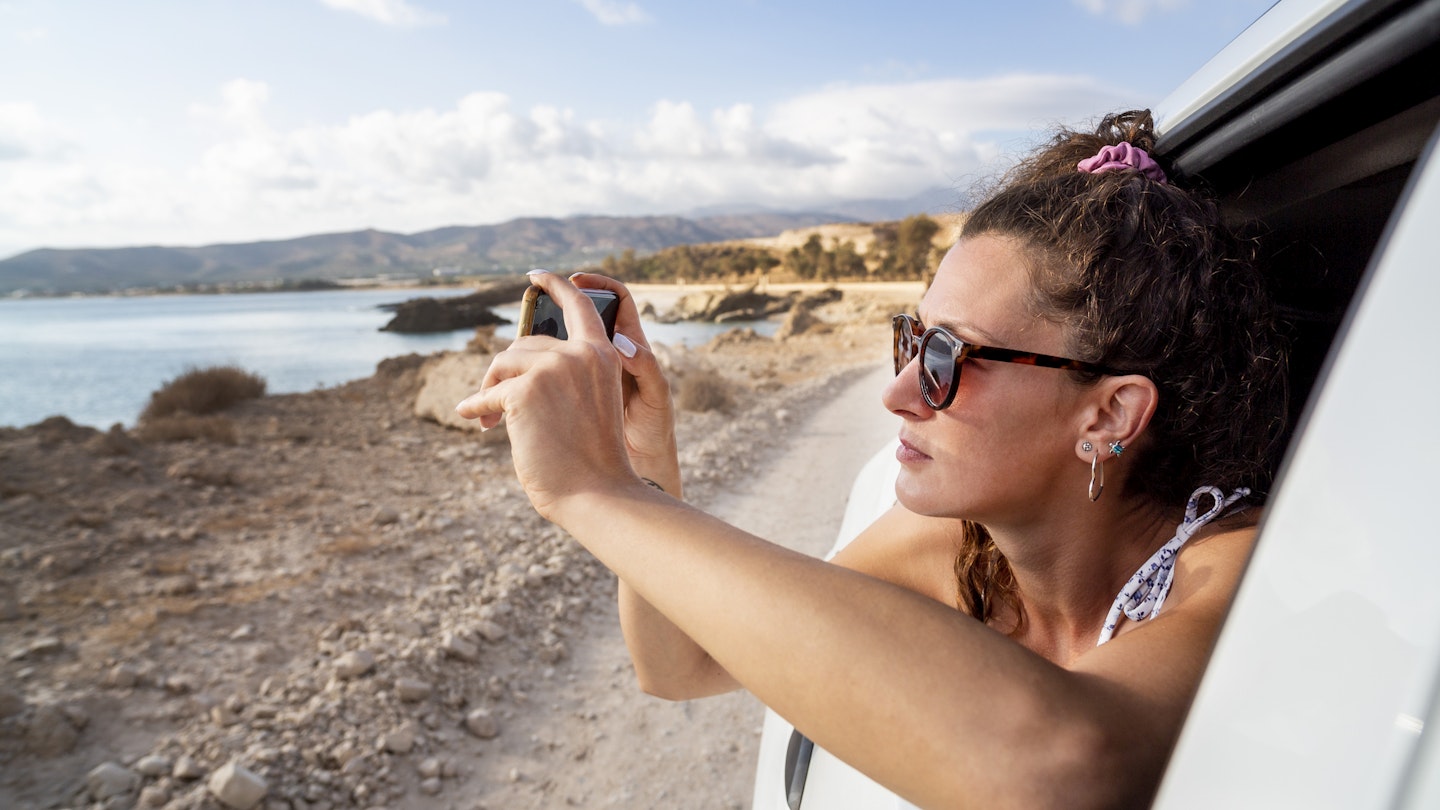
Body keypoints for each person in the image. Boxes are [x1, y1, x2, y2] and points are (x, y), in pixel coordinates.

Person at [456, 109, 1288, 809]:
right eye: (910, 339)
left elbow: (1063, 768)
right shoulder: (962, 548)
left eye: (946, 359)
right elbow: (681, 662)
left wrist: (592, 491)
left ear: (1109, 412)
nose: (896, 393)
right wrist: (640, 467)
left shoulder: (1246, 575)